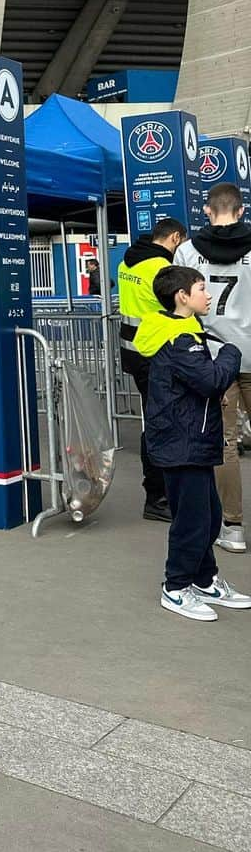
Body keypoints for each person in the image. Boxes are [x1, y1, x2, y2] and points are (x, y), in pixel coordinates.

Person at [134, 265, 248, 620]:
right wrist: (232, 350)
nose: (208, 294)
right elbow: (212, 380)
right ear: (182, 296)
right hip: (181, 441)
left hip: (188, 438)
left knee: (209, 515)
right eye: (201, 288)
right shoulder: (179, 338)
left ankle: (205, 579)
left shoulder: (184, 330)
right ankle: (176, 587)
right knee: (193, 521)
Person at [175, 182, 251, 553]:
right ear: (240, 211)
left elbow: (178, 302)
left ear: (207, 210)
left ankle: (233, 527)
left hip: (215, 357)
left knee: (225, 444)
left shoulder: (188, 251)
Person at [118, 217, 187, 521]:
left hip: (134, 354)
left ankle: (159, 494)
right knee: (162, 425)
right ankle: (158, 497)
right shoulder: (162, 269)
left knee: (155, 421)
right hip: (157, 355)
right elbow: (176, 309)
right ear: (174, 238)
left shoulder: (126, 263)